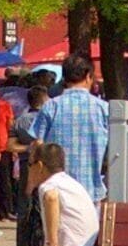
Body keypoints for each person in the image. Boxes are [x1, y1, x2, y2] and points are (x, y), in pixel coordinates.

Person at [29, 64, 114, 200]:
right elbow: (115, 150)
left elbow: (38, 144)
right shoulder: (103, 108)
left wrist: (31, 183)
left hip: (55, 190)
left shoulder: (50, 106)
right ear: (88, 77)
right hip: (91, 189)